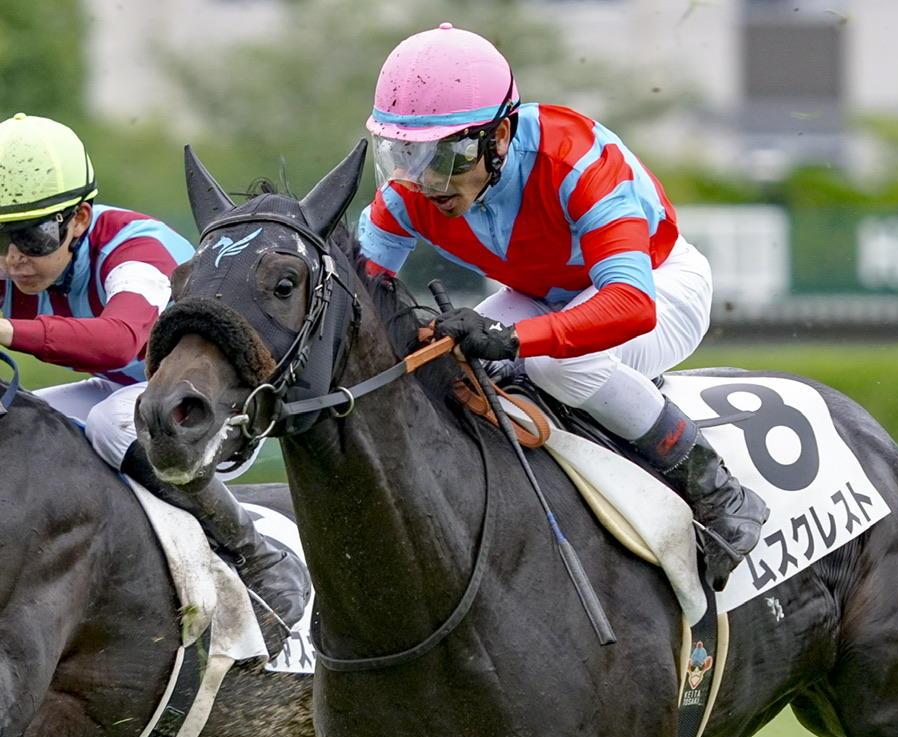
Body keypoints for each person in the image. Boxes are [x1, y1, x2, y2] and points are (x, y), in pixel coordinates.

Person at [357, 24, 768, 590]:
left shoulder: (577, 161)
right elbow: (360, 295)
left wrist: (513, 340)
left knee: (554, 362)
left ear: (499, 136)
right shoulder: (409, 191)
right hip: (543, 295)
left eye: (447, 155)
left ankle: (717, 490)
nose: (426, 181)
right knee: (444, 360)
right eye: (406, 153)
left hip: (659, 286)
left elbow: (630, 305)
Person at [0, 113, 308, 652]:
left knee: (115, 421)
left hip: (214, 414)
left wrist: (6, 330)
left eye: (32, 236)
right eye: (0, 238)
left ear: (80, 218)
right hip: (130, 394)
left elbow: (120, 341)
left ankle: (260, 558)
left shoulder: (137, 248)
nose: (13, 259)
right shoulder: (16, 262)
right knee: (19, 423)